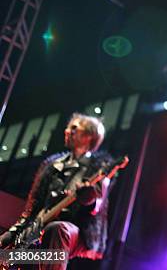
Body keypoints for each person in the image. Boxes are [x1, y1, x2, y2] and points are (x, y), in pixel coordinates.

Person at [0, 113, 114, 270]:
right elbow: (33, 207)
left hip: (76, 232)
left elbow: (98, 206)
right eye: (68, 128)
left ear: (89, 136)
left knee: (57, 230)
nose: (67, 131)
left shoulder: (99, 167)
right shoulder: (51, 165)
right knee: (6, 257)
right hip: (41, 230)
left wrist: (90, 200)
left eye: (74, 128)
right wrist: (11, 234)